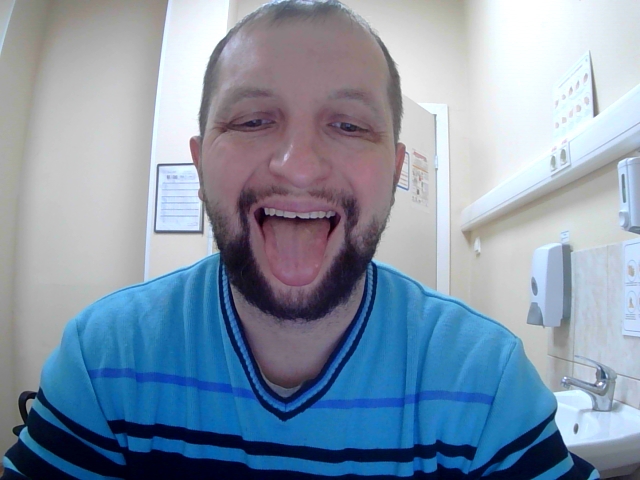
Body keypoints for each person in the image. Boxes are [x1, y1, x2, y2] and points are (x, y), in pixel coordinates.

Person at [2, 1, 598, 478]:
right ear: (200, 163)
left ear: (394, 171)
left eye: (349, 125)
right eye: (252, 120)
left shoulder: (484, 380)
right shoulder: (105, 360)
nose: (299, 165)